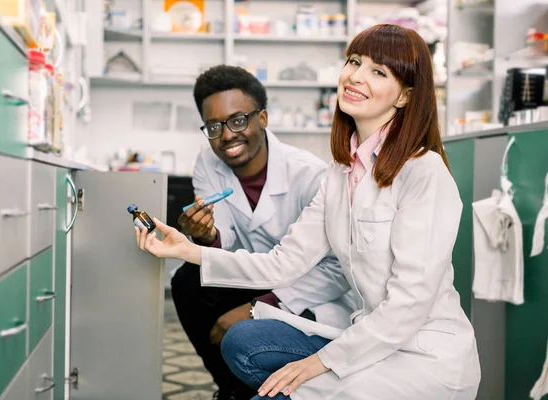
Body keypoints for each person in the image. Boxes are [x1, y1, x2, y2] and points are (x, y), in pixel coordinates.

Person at [138, 24, 481, 400]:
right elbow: (280, 264)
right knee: (242, 342)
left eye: (379, 72)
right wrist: (185, 249)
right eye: (354, 62)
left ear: (404, 97)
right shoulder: (341, 173)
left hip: (423, 358)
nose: (356, 77)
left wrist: (317, 365)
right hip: (367, 339)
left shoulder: (423, 172)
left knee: (278, 393)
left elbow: (408, 306)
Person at [171, 65, 353, 400]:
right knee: (187, 280)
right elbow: (221, 237)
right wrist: (204, 233)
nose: (227, 135)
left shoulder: (310, 176)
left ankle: (254, 377)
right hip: (254, 272)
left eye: (238, 120)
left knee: (241, 331)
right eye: (214, 126)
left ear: (263, 118)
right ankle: (232, 388)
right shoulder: (208, 162)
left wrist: (261, 306)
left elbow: (337, 269)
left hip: (308, 288)